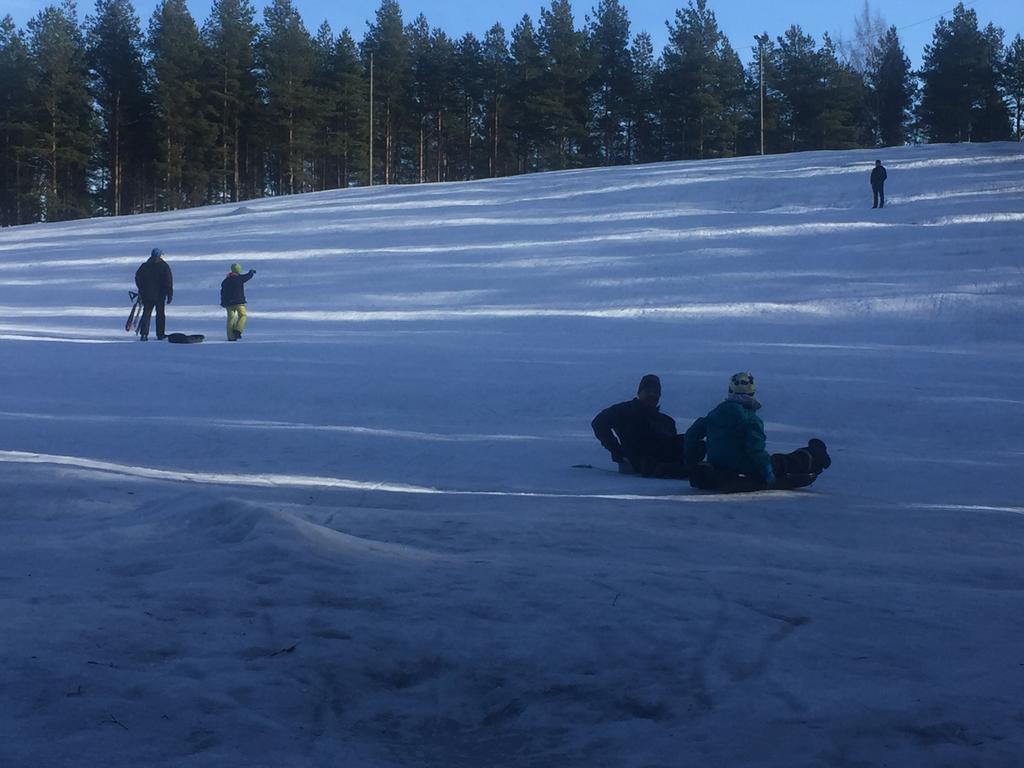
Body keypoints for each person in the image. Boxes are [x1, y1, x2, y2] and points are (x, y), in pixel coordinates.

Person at [685, 372, 830, 491]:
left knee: (776, 461)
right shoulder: (751, 421)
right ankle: (815, 454)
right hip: (746, 467)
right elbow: (755, 450)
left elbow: (691, 435)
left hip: (718, 464)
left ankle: (813, 453)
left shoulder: (713, 415)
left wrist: (691, 462)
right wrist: (767, 473)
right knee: (782, 462)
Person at [591, 374, 692, 479]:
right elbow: (599, 423)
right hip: (639, 458)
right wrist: (617, 451)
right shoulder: (624, 411)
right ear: (639, 393)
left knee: (689, 440)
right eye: (648, 391)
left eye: (656, 392)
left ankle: (688, 469)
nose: (652, 395)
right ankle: (663, 468)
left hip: (664, 458)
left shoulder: (666, 421)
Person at [134, 248, 173, 341]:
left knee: (146, 314)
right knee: (160, 315)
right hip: (160, 295)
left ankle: (144, 334)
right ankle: (160, 334)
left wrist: (141, 289)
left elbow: (137, 278)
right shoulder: (164, 266)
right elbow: (168, 281)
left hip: (147, 294)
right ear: (159, 256)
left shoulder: (144, 266)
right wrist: (169, 294)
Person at [220, 262, 256, 341]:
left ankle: (230, 336)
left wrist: (223, 302)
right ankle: (237, 330)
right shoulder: (239, 278)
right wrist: (251, 272)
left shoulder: (226, 281)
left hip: (228, 303)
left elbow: (222, 292)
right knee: (243, 315)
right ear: (238, 270)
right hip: (239, 302)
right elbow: (248, 276)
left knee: (231, 319)